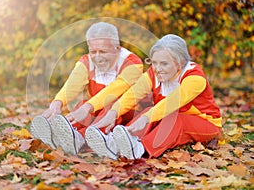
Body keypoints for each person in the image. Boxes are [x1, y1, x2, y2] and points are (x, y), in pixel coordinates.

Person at [85, 34, 222, 159]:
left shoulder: (195, 78)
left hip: (206, 125)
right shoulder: (153, 74)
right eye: (154, 62)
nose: (157, 68)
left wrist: (146, 119)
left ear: (179, 62)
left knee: (173, 118)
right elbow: (133, 94)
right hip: (169, 117)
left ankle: (141, 148)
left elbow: (171, 103)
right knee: (147, 112)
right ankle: (115, 144)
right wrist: (114, 112)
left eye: (164, 63)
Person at [30, 22, 144, 158]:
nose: (97, 57)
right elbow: (72, 84)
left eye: (103, 51)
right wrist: (57, 103)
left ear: (117, 49)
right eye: (93, 52)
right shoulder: (86, 61)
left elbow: (114, 90)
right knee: (82, 103)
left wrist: (86, 108)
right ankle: (62, 134)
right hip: (97, 109)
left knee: (106, 104)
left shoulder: (133, 63)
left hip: (124, 114)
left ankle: (80, 138)